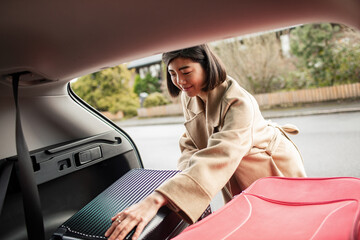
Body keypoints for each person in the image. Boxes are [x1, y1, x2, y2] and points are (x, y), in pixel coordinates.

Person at [105, 44, 307, 240]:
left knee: (286, 227)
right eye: (173, 74)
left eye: (185, 72)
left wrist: (157, 198)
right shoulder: (190, 95)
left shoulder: (238, 102)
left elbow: (220, 154)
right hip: (234, 167)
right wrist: (179, 183)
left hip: (268, 166)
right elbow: (190, 142)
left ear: (207, 66)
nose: (179, 81)